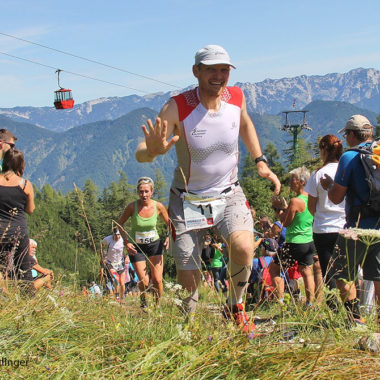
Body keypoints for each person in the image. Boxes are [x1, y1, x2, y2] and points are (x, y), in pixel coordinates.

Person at [135, 44, 281, 332]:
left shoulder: (236, 97)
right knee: (189, 279)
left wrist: (260, 160)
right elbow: (143, 149)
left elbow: (245, 124)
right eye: (211, 69)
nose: (218, 76)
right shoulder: (178, 106)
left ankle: (235, 306)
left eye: (224, 70)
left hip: (229, 192)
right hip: (187, 199)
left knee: (242, 247)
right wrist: (151, 152)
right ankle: (186, 329)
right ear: (196, 72)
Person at [321, 115, 380, 323]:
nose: (346, 139)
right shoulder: (378, 153)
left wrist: (329, 186)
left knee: (342, 274)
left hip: (355, 228)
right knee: (378, 276)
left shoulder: (349, 158)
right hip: (379, 227)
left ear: (353, 134)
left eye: (346, 134)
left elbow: (336, 198)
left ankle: (355, 319)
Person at [118, 177, 170, 307]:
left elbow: (170, 223)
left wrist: (168, 237)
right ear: (137, 192)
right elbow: (120, 224)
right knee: (144, 281)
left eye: (147, 191)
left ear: (152, 192)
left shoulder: (158, 206)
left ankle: (157, 306)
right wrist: (126, 242)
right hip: (136, 247)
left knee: (157, 280)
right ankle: (144, 302)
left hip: (154, 245)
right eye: (141, 192)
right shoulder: (132, 207)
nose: (144, 195)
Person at [269, 167, 316, 306]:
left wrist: (280, 209)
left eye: (292, 179)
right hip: (308, 241)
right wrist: (285, 207)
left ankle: (281, 301)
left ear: (302, 182)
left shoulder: (296, 201)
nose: (290, 182)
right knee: (307, 272)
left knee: (275, 269)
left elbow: (286, 222)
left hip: (293, 242)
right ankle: (310, 304)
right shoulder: (312, 199)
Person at [305, 135, 345, 291]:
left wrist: (321, 214)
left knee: (328, 272)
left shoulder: (318, 174)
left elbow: (311, 206)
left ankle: (333, 306)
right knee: (347, 271)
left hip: (323, 228)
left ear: (323, 150)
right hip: (345, 226)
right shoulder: (346, 171)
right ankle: (352, 309)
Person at [0, 149, 35, 291]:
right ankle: (27, 300)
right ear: (21, 165)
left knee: (1, 268)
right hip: (19, 231)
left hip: (1, 231)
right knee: (23, 268)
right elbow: (30, 209)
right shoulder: (25, 185)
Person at [101, 227, 126, 301]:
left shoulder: (123, 239)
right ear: (113, 234)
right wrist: (103, 256)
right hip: (110, 263)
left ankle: (122, 298)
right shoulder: (107, 239)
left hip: (120, 263)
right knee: (116, 279)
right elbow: (102, 245)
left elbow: (127, 248)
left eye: (119, 235)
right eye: (116, 235)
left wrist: (127, 257)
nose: (117, 237)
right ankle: (117, 296)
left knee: (122, 282)